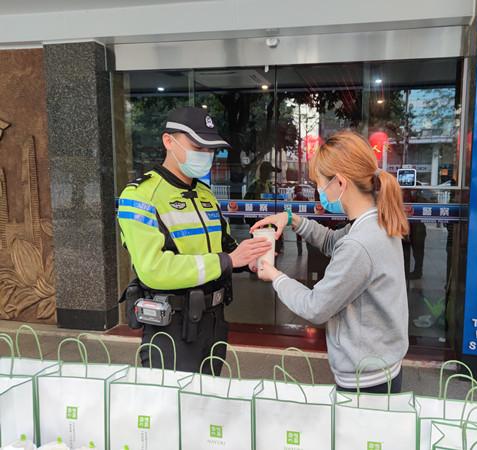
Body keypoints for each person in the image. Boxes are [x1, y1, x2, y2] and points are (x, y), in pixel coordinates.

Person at [250, 130, 410, 393]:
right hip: (382, 366)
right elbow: (331, 241)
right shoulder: (374, 222)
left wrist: (275, 276)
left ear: (340, 183)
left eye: (320, 184)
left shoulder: (360, 244)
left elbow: (315, 307)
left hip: (365, 380)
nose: (319, 191)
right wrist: (290, 219)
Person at [117, 106, 272, 373]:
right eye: (198, 147)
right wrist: (227, 261)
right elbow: (153, 269)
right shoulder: (140, 196)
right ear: (169, 141)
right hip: (172, 325)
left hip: (214, 322)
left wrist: (250, 258)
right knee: (174, 398)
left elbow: (224, 245)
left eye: (210, 149)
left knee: (208, 395)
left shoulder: (205, 194)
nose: (205, 155)